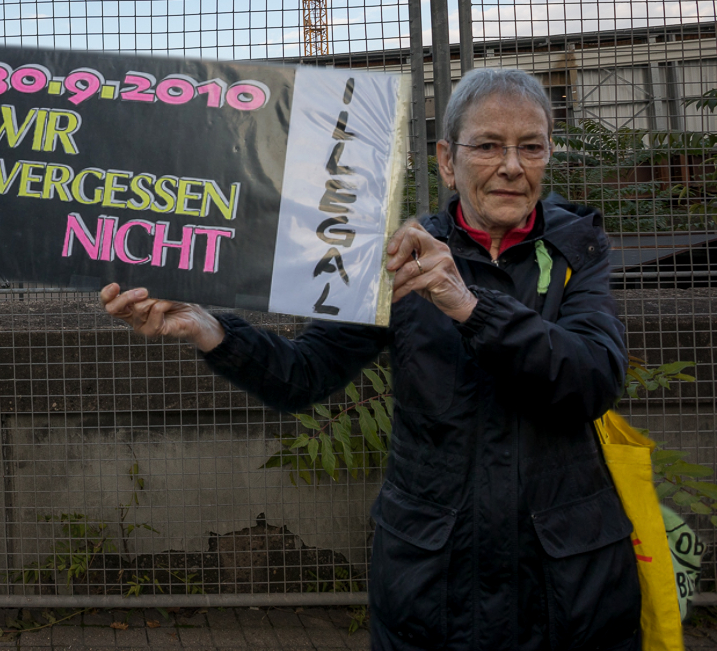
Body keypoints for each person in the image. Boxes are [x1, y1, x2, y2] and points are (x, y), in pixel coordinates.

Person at [103, 68, 637, 651]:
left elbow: (593, 378)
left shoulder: (577, 249)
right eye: (488, 145)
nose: (511, 165)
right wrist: (210, 328)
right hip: (432, 588)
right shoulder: (399, 257)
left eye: (530, 147)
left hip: (567, 591)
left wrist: (468, 305)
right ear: (446, 160)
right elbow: (302, 374)